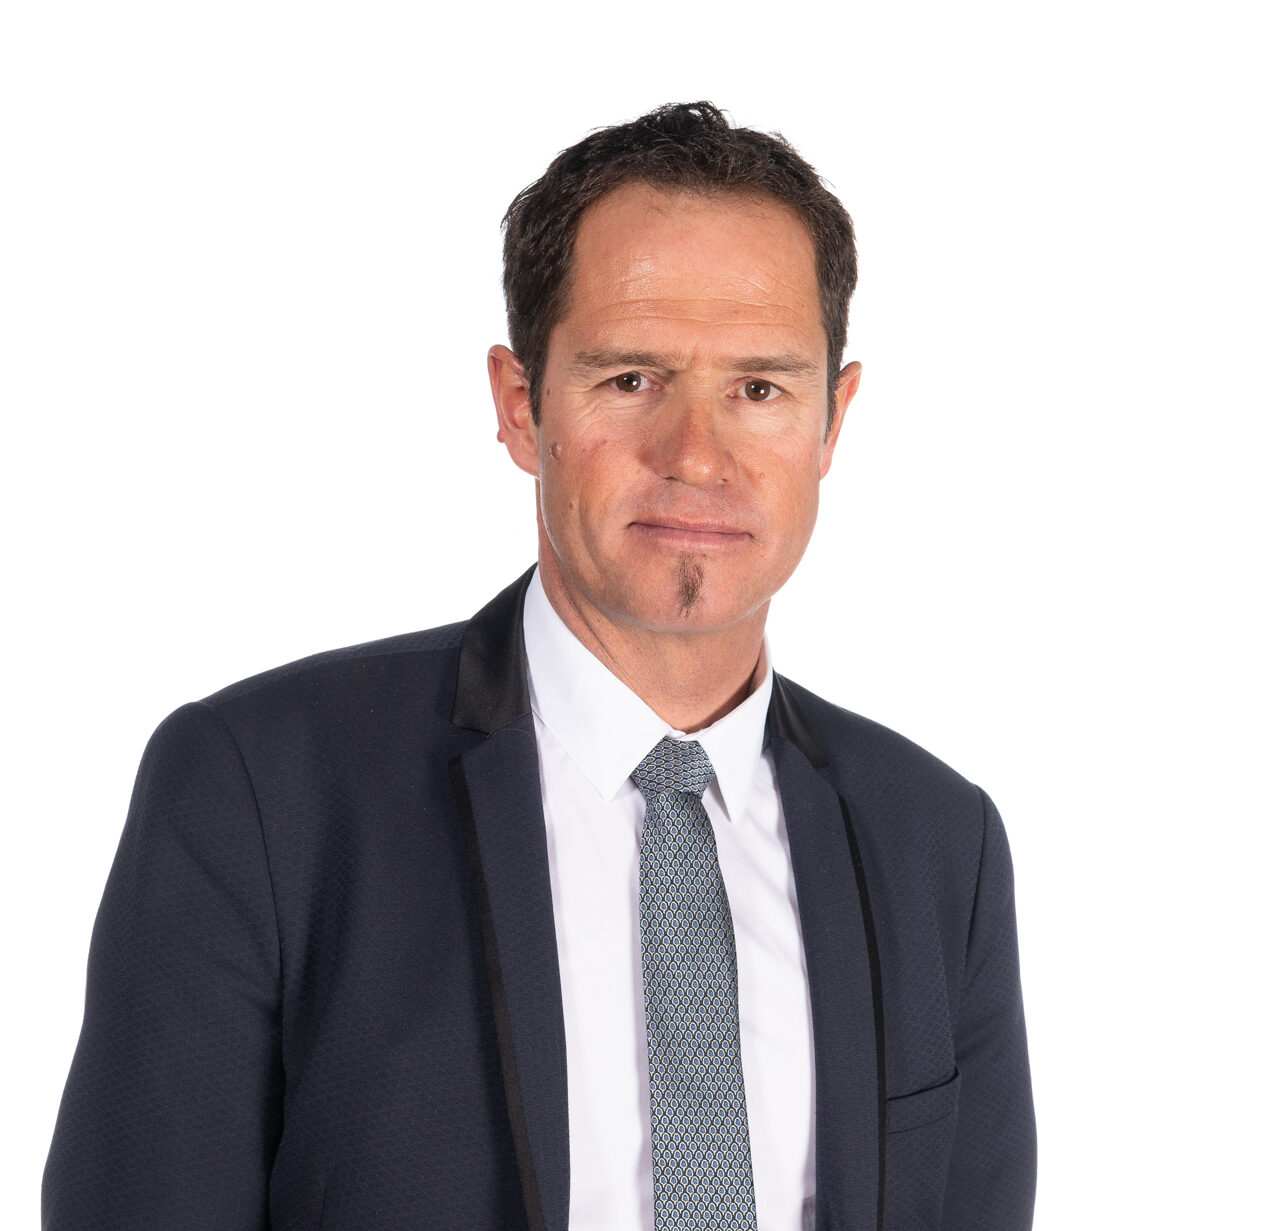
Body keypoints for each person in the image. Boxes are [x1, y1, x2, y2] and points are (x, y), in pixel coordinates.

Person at [42, 101, 1036, 1231]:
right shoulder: (261, 793)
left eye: (759, 388)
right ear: (520, 407)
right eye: (632, 380)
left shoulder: (936, 844)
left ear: (831, 422)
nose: (696, 455)